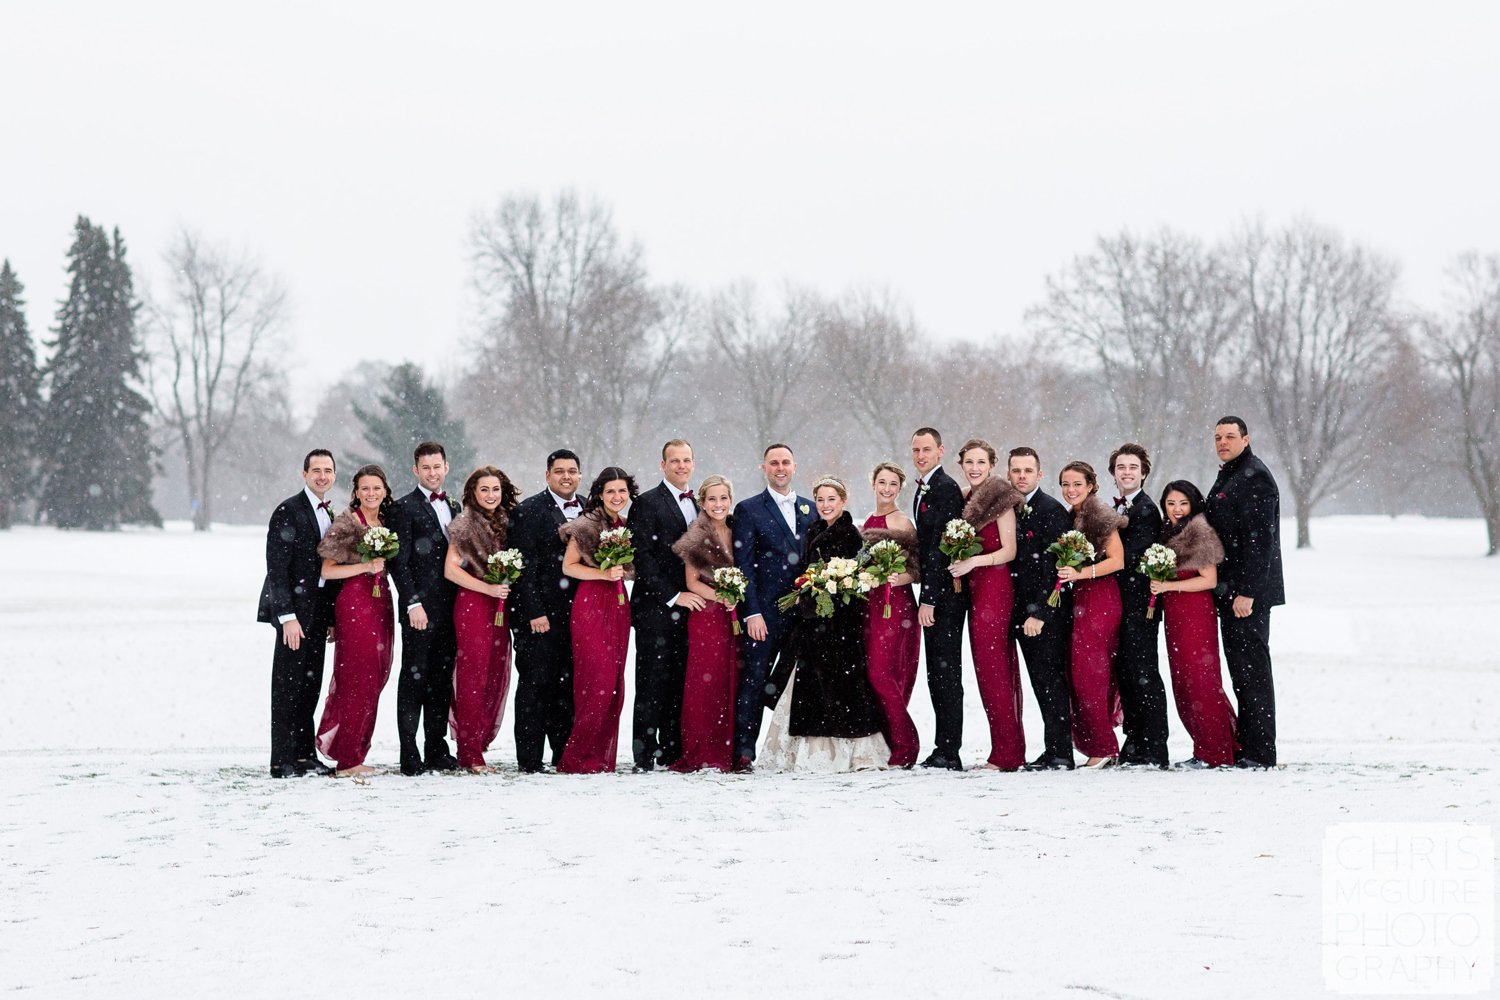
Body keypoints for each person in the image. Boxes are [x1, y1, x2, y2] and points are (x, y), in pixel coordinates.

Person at [760, 476, 890, 772]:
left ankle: (847, 751)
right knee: (810, 686)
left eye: (831, 499)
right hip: (812, 621)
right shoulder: (814, 530)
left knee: (840, 686)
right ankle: (807, 749)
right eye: (820, 499)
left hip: (839, 624)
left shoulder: (849, 534)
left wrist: (826, 592)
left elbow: (854, 581)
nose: (825, 505)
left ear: (843, 501)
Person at [1204, 416, 1285, 769]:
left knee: (1252, 672)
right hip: (1230, 590)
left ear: (1246, 438)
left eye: (1230, 436)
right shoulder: (1231, 473)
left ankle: (1261, 751)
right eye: (1218, 436)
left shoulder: (1255, 476)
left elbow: (1260, 540)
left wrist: (1248, 592)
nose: (1223, 441)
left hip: (1247, 595)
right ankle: (1249, 746)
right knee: (1240, 670)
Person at [730, 443, 816, 771]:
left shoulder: (810, 508)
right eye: (774, 463)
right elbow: (744, 566)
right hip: (763, 614)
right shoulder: (749, 509)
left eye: (786, 462)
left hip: (803, 615)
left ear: (794, 467)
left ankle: (795, 749)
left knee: (799, 681)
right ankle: (744, 751)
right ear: (764, 468)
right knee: (753, 678)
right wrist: (750, 612)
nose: (780, 468)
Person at [258, 449, 340, 778]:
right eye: (316, 470)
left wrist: (332, 617)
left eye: (328, 470)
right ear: (304, 474)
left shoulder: (329, 514)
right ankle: (282, 761)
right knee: (287, 686)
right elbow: (276, 569)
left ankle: (306, 755)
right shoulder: (288, 511)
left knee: (310, 685)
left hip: (319, 611)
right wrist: (286, 616)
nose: (322, 475)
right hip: (295, 614)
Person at [314, 464, 397, 777]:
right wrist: (365, 567)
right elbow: (327, 570)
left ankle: (359, 750)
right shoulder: (347, 523)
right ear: (356, 492)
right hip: (355, 601)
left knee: (376, 676)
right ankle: (348, 758)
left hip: (381, 602)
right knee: (357, 678)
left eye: (376, 488)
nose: (371, 493)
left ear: (385, 491)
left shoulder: (386, 522)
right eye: (365, 489)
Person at [1151, 480, 1238, 768]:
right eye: (1171, 503)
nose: (1176, 509)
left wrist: (1166, 587)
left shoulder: (1199, 533)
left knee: (1202, 682)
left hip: (1195, 614)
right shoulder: (1167, 533)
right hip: (1175, 616)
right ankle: (1204, 745)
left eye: (1183, 503)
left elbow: (1209, 580)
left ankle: (1216, 751)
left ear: (1193, 504)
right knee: (1185, 682)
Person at [949, 439, 1025, 771]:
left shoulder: (1001, 500)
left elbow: (1009, 551)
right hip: (974, 587)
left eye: (981, 462)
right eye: (969, 462)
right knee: (984, 669)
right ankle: (1004, 747)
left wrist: (973, 562)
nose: (975, 467)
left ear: (991, 465)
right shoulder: (963, 496)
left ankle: (1007, 754)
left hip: (995, 585)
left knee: (994, 668)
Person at [628, 439, 704, 770]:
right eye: (675, 461)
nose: (682, 466)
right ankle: (644, 753)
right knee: (651, 682)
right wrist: (674, 595)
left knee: (679, 682)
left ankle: (673, 748)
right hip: (656, 610)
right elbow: (641, 558)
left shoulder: (701, 503)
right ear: (663, 465)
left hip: (692, 610)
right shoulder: (646, 504)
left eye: (687, 460)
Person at [556, 467, 638, 774]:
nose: (617, 497)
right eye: (611, 492)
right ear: (600, 495)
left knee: (615, 683)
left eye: (622, 491)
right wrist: (603, 574)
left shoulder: (625, 525)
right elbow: (569, 566)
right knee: (597, 682)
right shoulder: (587, 524)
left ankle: (602, 757)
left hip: (618, 604)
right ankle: (577, 757)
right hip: (591, 602)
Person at [387, 442, 461, 775]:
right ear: (416, 470)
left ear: (446, 467)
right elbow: (399, 563)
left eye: (437, 467)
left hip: (452, 610)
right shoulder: (403, 509)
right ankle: (409, 752)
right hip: (420, 610)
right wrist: (412, 602)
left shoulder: (456, 507)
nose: (432, 473)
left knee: (441, 680)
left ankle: (436, 748)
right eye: (425, 468)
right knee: (414, 679)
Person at [508, 449, 582, 773]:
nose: (566, 476)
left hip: (577, 618)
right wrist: (534, 611)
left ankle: (562, 755)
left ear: (580, 475)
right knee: (535, 690)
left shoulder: (588, 510)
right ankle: (529, 760)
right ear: (547, 475)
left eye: (572, 471)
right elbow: (523, 566)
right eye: (560, 471)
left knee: (566, 690)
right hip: (539, 618)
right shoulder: (529, 511)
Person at [443, 465, 521, 773]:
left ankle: (478, 743)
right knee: (472, 676)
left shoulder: (505, 522)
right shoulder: (465, 523)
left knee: (494, 673)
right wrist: (487, 587)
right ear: (473, 493)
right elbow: (451, 570)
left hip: (499, 606)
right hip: (474, 603)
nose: (491, 495)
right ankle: (470, 753)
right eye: (484, 490)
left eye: (495, 490)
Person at [1055, 460, 1128, 769]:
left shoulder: (1097, 515)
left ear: (1090, 486)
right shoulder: (1074, 515)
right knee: (1082, 673)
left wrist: (1082, 573)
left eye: (1077, 484)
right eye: (1066, 485)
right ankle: (1096, 744)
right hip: (1082, 599)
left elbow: (1118, 560)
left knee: (1091, 675)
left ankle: (1104, 747)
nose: (1071, 490)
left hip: (1101, 598)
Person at [1007, 448, 1076, 771]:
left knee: (1051, 681)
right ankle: (1053, 749)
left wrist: (1040, 614)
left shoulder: (1050, 510)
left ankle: (1061, 752)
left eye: (1027, 470)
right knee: (1040, 681)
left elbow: (1057, 569)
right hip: (1020, 611)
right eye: (1016, 470)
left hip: (1046, 614)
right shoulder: (1012, 509)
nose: (1022, 475)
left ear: (1039, 474)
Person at [669, 474, 740, 772]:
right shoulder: (696, 535)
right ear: (702, 502)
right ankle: (702, 748)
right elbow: (692, 582)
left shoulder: (737, 529)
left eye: (723, 498)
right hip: (708, 616)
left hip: (733, 617)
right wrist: (720, 597)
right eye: (712, 499)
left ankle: (729, 748)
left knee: (730, 680)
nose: (718, 504)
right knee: (704, 682)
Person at [1108, 443, 1170, 769]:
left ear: (1144, 473)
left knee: (1144, 673)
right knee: (1127, 674)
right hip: (1122, 604)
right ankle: (1134, 742)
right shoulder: (1117, 508)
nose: (1127, 472)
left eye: (1133, 467)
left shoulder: (1145, 510)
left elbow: (1130, 559)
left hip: (1140, 605)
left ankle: (1155, 746)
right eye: (1121, 467)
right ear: (1113, 473)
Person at [910, 427, 968, 770]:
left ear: (940, 451)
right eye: (916, 449)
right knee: (938, 672)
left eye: (926, 449)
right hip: (937, 592)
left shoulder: (944, 489)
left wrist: (928, 598)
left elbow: (939, 551)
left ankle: (949, 750)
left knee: (945, 672)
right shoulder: (926, 487)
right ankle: (943, 746)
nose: (920, 455)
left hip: (945, 596)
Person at [859, 461, 922, 769]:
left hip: (894, 603)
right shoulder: (868, 520)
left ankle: (906, 743)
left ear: (900, 488)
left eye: (893, 484)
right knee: (872, 675)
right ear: (873, 484)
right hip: (870, 603)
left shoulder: (901, 522)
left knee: (881, 674)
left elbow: (917, 568)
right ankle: (886, 740)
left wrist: (900, 578)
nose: (886, 489)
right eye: (882, 482)